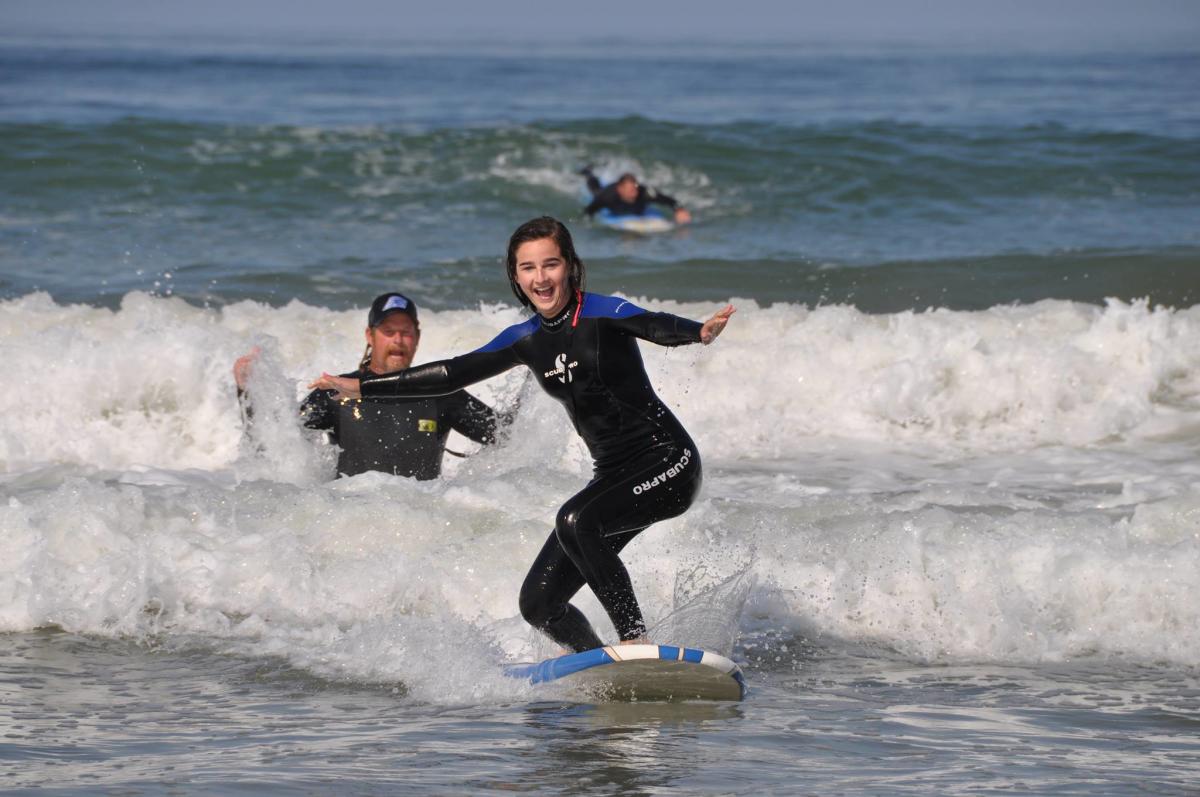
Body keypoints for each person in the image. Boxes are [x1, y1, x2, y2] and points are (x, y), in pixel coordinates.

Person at [310, 217, 734, 652]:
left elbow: (653, 324)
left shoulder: (603, 312)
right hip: (613, 478)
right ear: (515, 275)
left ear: (569, 265)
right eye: (527, 268)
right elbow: (451, 374)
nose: (540, 278)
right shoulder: (525, 339)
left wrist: (696, 333)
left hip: (668, 463)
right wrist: (362, 386)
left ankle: (634, 638)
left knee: (576, 520)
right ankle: (605, 664)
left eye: (550, 264)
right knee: (539, 603)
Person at [234, 292, 509, 480]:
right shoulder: (335, 392)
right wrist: (248, 392)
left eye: (406, 332)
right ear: (370, 335)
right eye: (388, 332)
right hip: (349, 522)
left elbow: (510, 439)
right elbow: (275, 449)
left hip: (425, 527)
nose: (398, 340)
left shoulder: (442, 394)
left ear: (417, 337)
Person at [580, 167, 693, 225]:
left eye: (635, 189)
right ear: (620, 189)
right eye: (630, 190)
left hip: (634, 211)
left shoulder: (644, 193)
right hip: (605, 194)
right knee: (595, 190)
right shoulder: (607, 197)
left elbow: (668, 200)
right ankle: (588, 173)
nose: (634, 192)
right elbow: (589, 211)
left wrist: (679, 210)